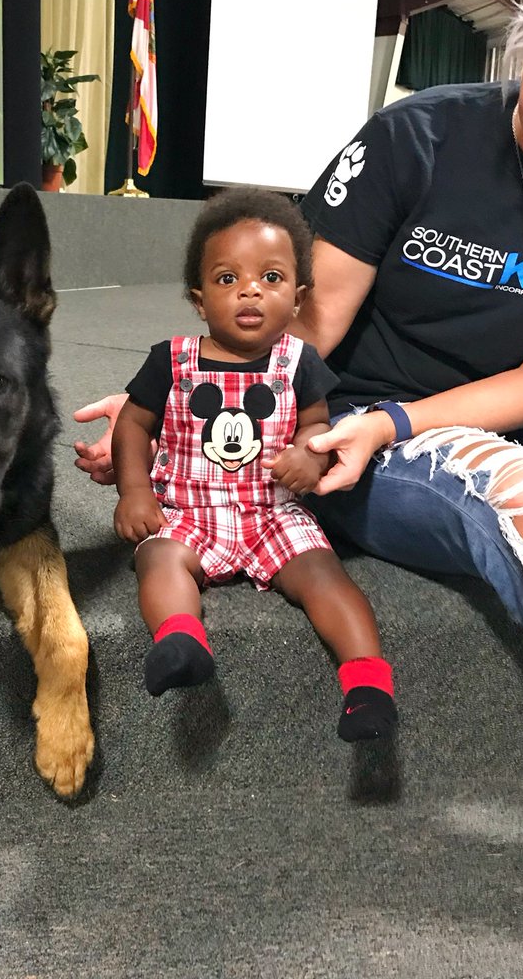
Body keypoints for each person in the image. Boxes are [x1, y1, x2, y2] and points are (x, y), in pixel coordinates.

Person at [75, 0, 523, 680]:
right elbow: (314, 321)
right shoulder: (420, 136)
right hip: (357, 422)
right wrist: (185, 396)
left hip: (519, 407)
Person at [111, 188, 398, 741]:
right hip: (190, 510)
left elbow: (316, 422)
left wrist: (307, 457)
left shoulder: (300, 361)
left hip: (272, 511)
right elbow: (132, 424)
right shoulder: (170, 359)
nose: (249, 291)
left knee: (325, 575)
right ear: (198, 299)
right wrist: (135, 492)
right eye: (227, 279)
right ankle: (180, 638)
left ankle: (367, 684)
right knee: (159, 558)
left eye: (271, 278)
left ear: (297, 297)